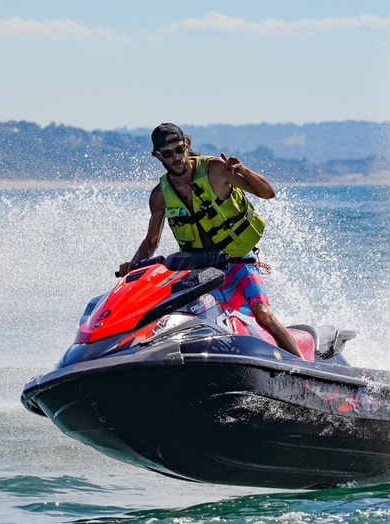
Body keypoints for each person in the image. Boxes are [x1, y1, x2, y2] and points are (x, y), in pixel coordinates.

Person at [118, 123, 302, 358]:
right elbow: (150, 242)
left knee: (262, 312)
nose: (175, 157)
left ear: (187, 145)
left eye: (178, 149)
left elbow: (268, 192)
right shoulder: (160, 195)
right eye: (167, 153)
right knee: (177, 322)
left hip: (236, 263)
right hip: (199, 274)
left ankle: (307, 369)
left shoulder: (215, 169)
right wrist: (133, 265)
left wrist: (242, 170)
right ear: (158, 157)